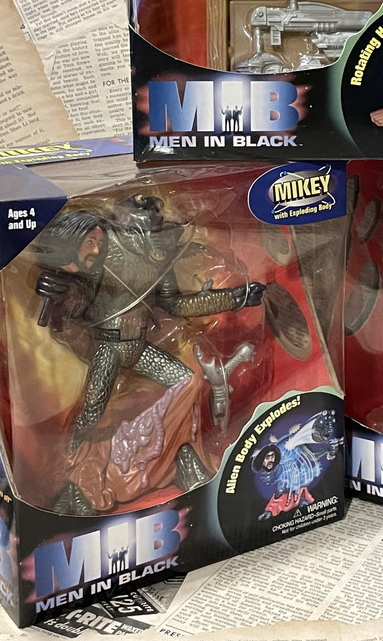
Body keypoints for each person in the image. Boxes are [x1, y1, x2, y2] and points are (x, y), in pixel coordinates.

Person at [35, 195, 264, 512]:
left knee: (187, 382)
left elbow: (176, 305)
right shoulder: (105, 250)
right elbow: (78, 286)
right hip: (109, 347)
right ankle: (73, 484)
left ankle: (178, 452)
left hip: (138, 346)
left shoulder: (158, 259)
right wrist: (59, 283)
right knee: (90, 413)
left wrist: (235, 298)